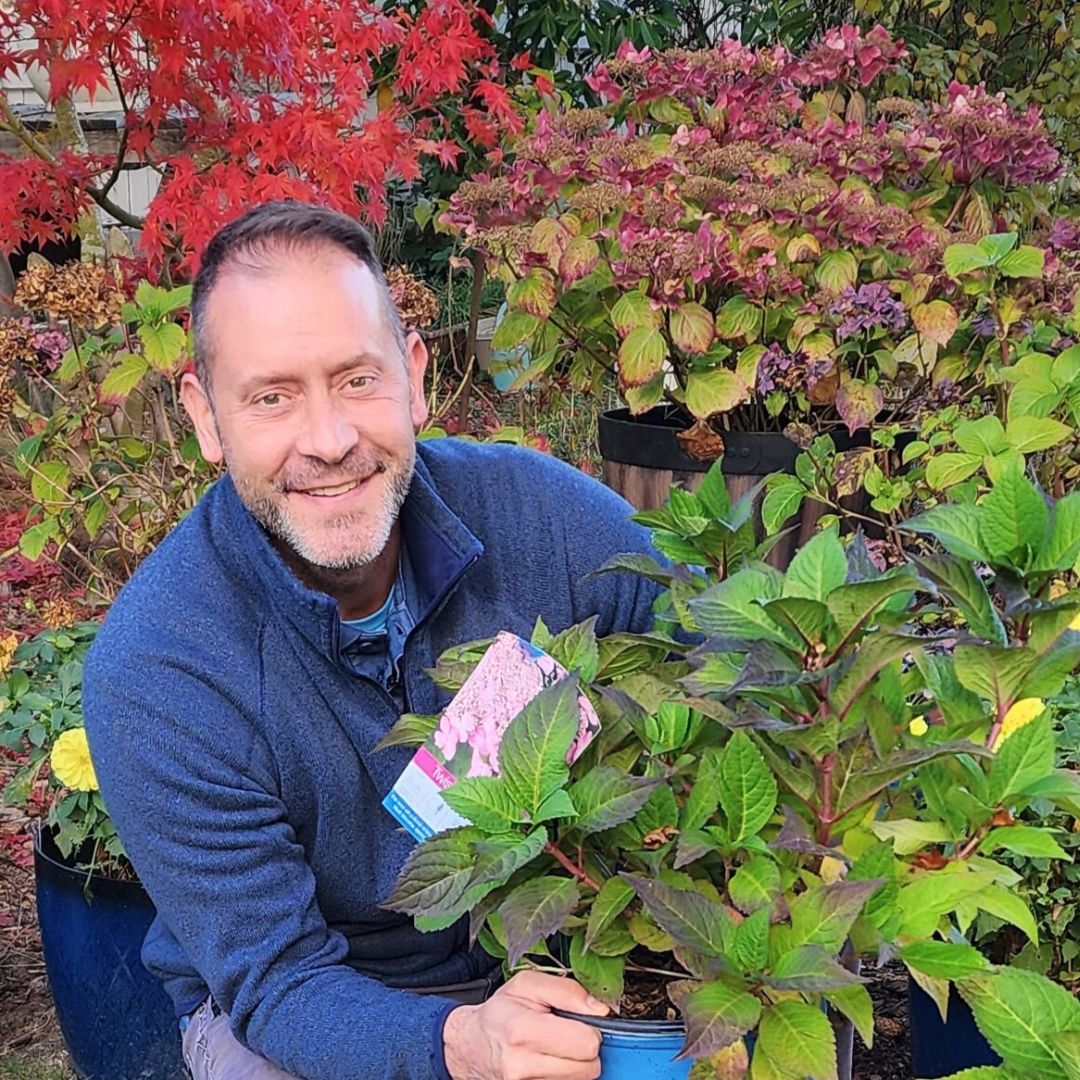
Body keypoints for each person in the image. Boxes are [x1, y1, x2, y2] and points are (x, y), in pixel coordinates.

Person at [84, 201, 663, 1080]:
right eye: (272, 397)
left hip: (560, 946)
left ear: (415, 374)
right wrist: (456, 1043)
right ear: (206, 417)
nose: (329, 440)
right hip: (307, 1007)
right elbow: (279, 980)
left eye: (358, 379)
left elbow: (716, 644)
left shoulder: (547, 524)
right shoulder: (161, 671)